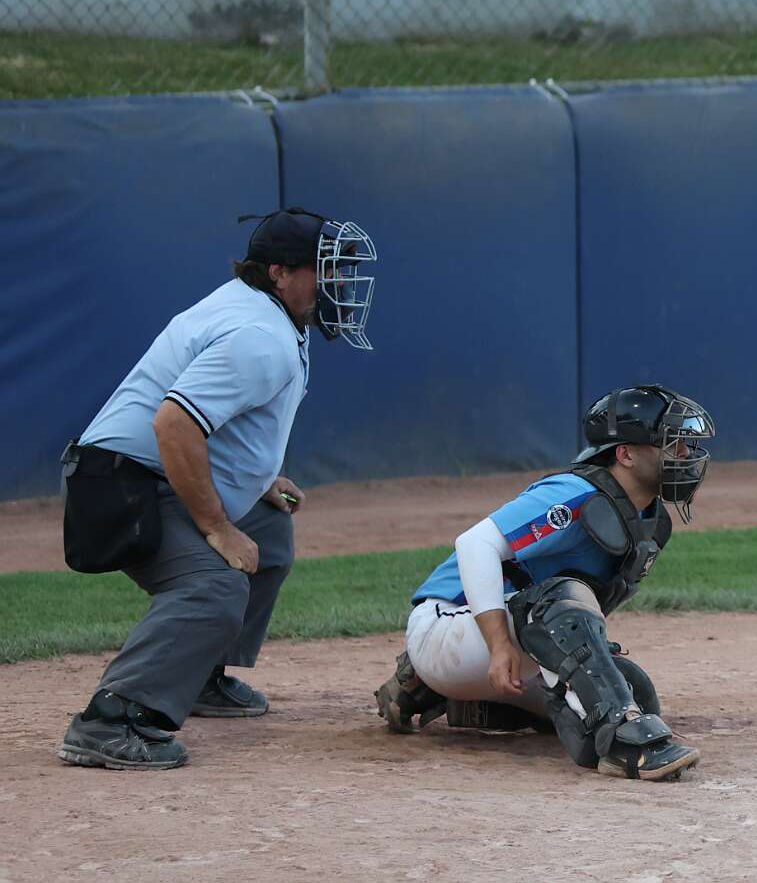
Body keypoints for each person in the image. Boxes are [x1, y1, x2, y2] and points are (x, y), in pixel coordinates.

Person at [57, 207, 377, 769]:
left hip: (145, 471)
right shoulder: (260, 336)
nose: (338, 283)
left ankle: (198, 675)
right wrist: (215, 526)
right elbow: (174, 424)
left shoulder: (262, 312)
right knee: (214, 587)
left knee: (268, 533)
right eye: (324, 269)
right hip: (120, 486)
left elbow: (214, 421)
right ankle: (110, 718)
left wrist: (257, 478)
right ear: (279, 273)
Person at [373, 385, 713, 782]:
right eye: (672, 445)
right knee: (563, 609)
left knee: (632, 693)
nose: (685, 455)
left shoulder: (647, 520)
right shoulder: (575, 494)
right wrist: (498, 644)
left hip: (502, 644)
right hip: (447, 626)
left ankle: (448, 698)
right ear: (625, 454)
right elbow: (474, 544)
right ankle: (624, 750)